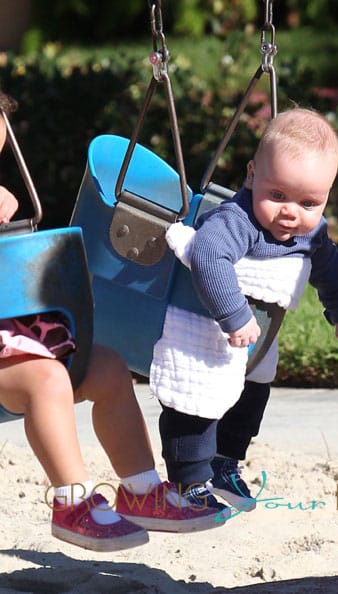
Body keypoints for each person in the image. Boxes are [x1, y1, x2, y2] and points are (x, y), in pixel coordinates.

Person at [0, 90, 225, 553]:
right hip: (15, 360)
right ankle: (72, 503)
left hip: (17, 337)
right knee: (47, 382)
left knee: (107, 368)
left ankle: (141, 491)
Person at [150, 107, 338, 513]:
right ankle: (188, 479)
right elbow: (208, 255)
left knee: (252, 396)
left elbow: (331, 269)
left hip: (258, 338)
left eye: (308, 202)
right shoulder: (236, 221)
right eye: (277, 195)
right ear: (251, 176)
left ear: (326, 197)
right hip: (208, 327)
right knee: (197, 397)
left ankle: (225, 460)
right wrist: (233, 313)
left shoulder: (311, 232)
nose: (290, 212)